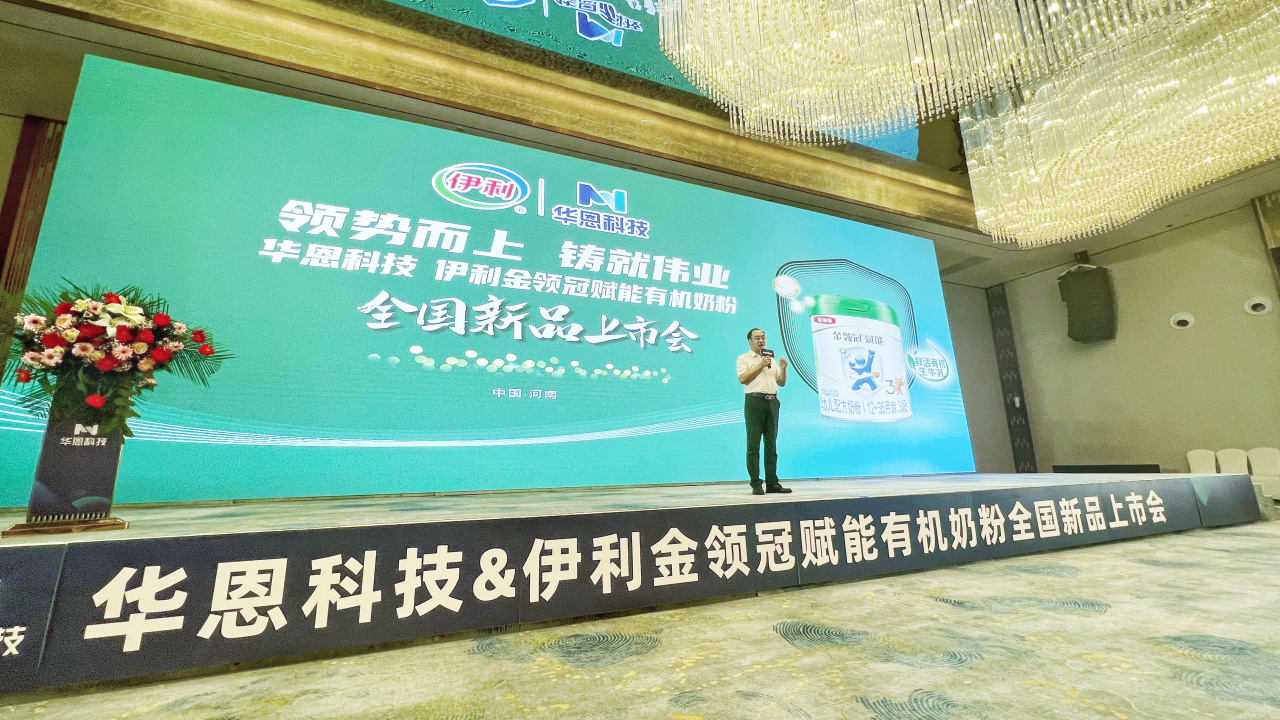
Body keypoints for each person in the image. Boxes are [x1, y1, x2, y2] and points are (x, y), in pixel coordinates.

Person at [736, 328, 790, 495]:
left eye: (763, 338)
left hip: (772, 402)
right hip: (755, 402)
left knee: (771, 445)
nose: (761, 341)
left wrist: (783, 368)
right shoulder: (744, 358)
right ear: (750, 341)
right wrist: (760, 365)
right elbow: (743, 379)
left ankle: (772, 483)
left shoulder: (770, 359)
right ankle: (756, 483)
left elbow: (781, 382)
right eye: (757, 338)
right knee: (753, 445)